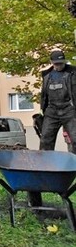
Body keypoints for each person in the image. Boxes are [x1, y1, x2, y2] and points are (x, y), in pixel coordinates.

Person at [30, 50, 76, 206]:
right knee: (46, 140)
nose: (59, 66)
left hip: (69, 109)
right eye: (56, 64)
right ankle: (45, 167)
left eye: (61, 63)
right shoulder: (46, 75)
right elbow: (44, 95)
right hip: (51, 110)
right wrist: (43, 110)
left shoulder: (73, 72)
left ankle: (73, 168)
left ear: (65, 61)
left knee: (75, 139)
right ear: (52, 63)